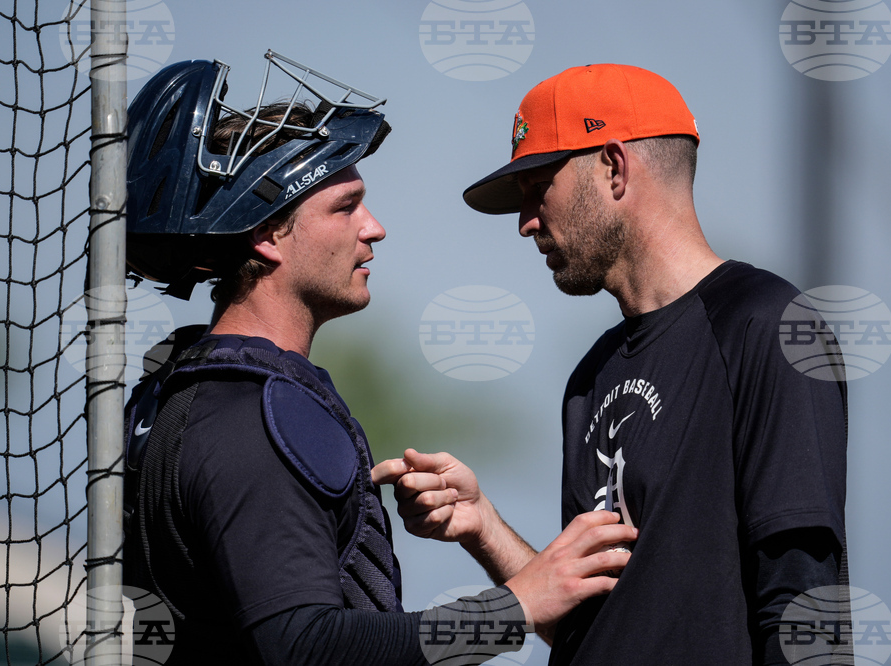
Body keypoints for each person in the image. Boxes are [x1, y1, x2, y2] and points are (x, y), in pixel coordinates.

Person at [121, 53, 638, 666]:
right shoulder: (255, 415)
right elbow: (304, 646)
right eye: (345, 207)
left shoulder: (177, 390)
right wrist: (517, 606)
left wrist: (482, 526)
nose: (375, 228)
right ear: (265, 233)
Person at [376, 64, 849, 665]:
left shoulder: (767, 324)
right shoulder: (590, 376)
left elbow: (802, 601)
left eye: (537, 189)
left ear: (614, 168)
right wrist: (482, 524)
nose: (526, 224)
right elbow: (589, 623)